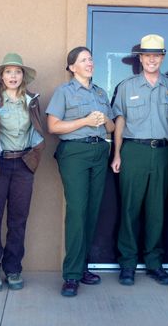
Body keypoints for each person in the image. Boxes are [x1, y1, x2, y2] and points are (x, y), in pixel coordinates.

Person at [111, 34, 168, 286]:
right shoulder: (126, 86)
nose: (151, 60)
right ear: (140, 58)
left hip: (163, 153)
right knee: (130, 209)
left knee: (157, 211)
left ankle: (154, 262)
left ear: (162, 58)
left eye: (156, 55)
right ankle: (128, 263)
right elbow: (119, 122)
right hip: (134, 151)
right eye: (147, 55)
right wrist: (117, 154)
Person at [46, 46, 115, 297]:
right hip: (74, 153)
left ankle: (83, 267)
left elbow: (109, 126)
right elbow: (53, 126)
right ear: (72, 67)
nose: (90, 63)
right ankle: (72, 275)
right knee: (77, 211)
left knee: (92, 211)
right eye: (84, 60)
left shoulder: (100, 92)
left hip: (99, 152)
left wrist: (102, 120)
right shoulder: (64, 92)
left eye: (91, 59)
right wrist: (85, 121)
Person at [0, 53, 45, 292]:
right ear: (1, 76)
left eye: (17, 72)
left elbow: (38, 130)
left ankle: (13, 267)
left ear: (23, 76)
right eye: (8, 72)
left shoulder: (32, 100)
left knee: (18, 219)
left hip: (23, 165)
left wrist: (33, 155)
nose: (12, 76)